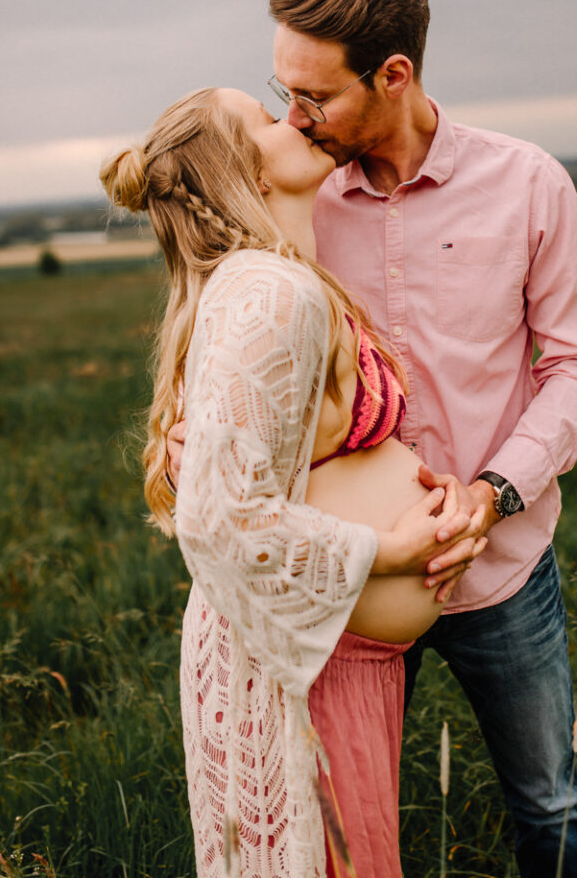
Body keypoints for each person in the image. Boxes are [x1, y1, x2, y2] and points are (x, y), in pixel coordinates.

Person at [258, 0, 577, 877]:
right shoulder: (292, 199)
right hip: (355, 582)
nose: (293, 119)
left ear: (395, 74)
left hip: (504, 568)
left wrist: (492, 495)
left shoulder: (529, 183)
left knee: (549, 804)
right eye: (283, 91)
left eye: (315, 97)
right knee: (344, 827)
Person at [100, 87, 484, 878]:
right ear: (243, 171)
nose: (297, 119)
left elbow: (278, 461)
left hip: (328, 653)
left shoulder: (278, 280)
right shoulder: (272, 294)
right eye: (267, 120)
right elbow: (220, 517)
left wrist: (434, 496)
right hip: (304, 662)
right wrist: (389, 548)